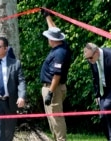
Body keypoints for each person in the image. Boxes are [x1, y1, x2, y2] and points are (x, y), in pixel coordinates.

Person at [40, 10, 72, 141]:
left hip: (54, 88)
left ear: (52, 40)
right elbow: (53, 29)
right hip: (53, 87)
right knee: (52, 118)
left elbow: (57, 74)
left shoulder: (59, 54)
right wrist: (47, 16)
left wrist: (50, 93)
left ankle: (60, 139)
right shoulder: (62, 45)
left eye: (49, 37)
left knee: (56, 117)